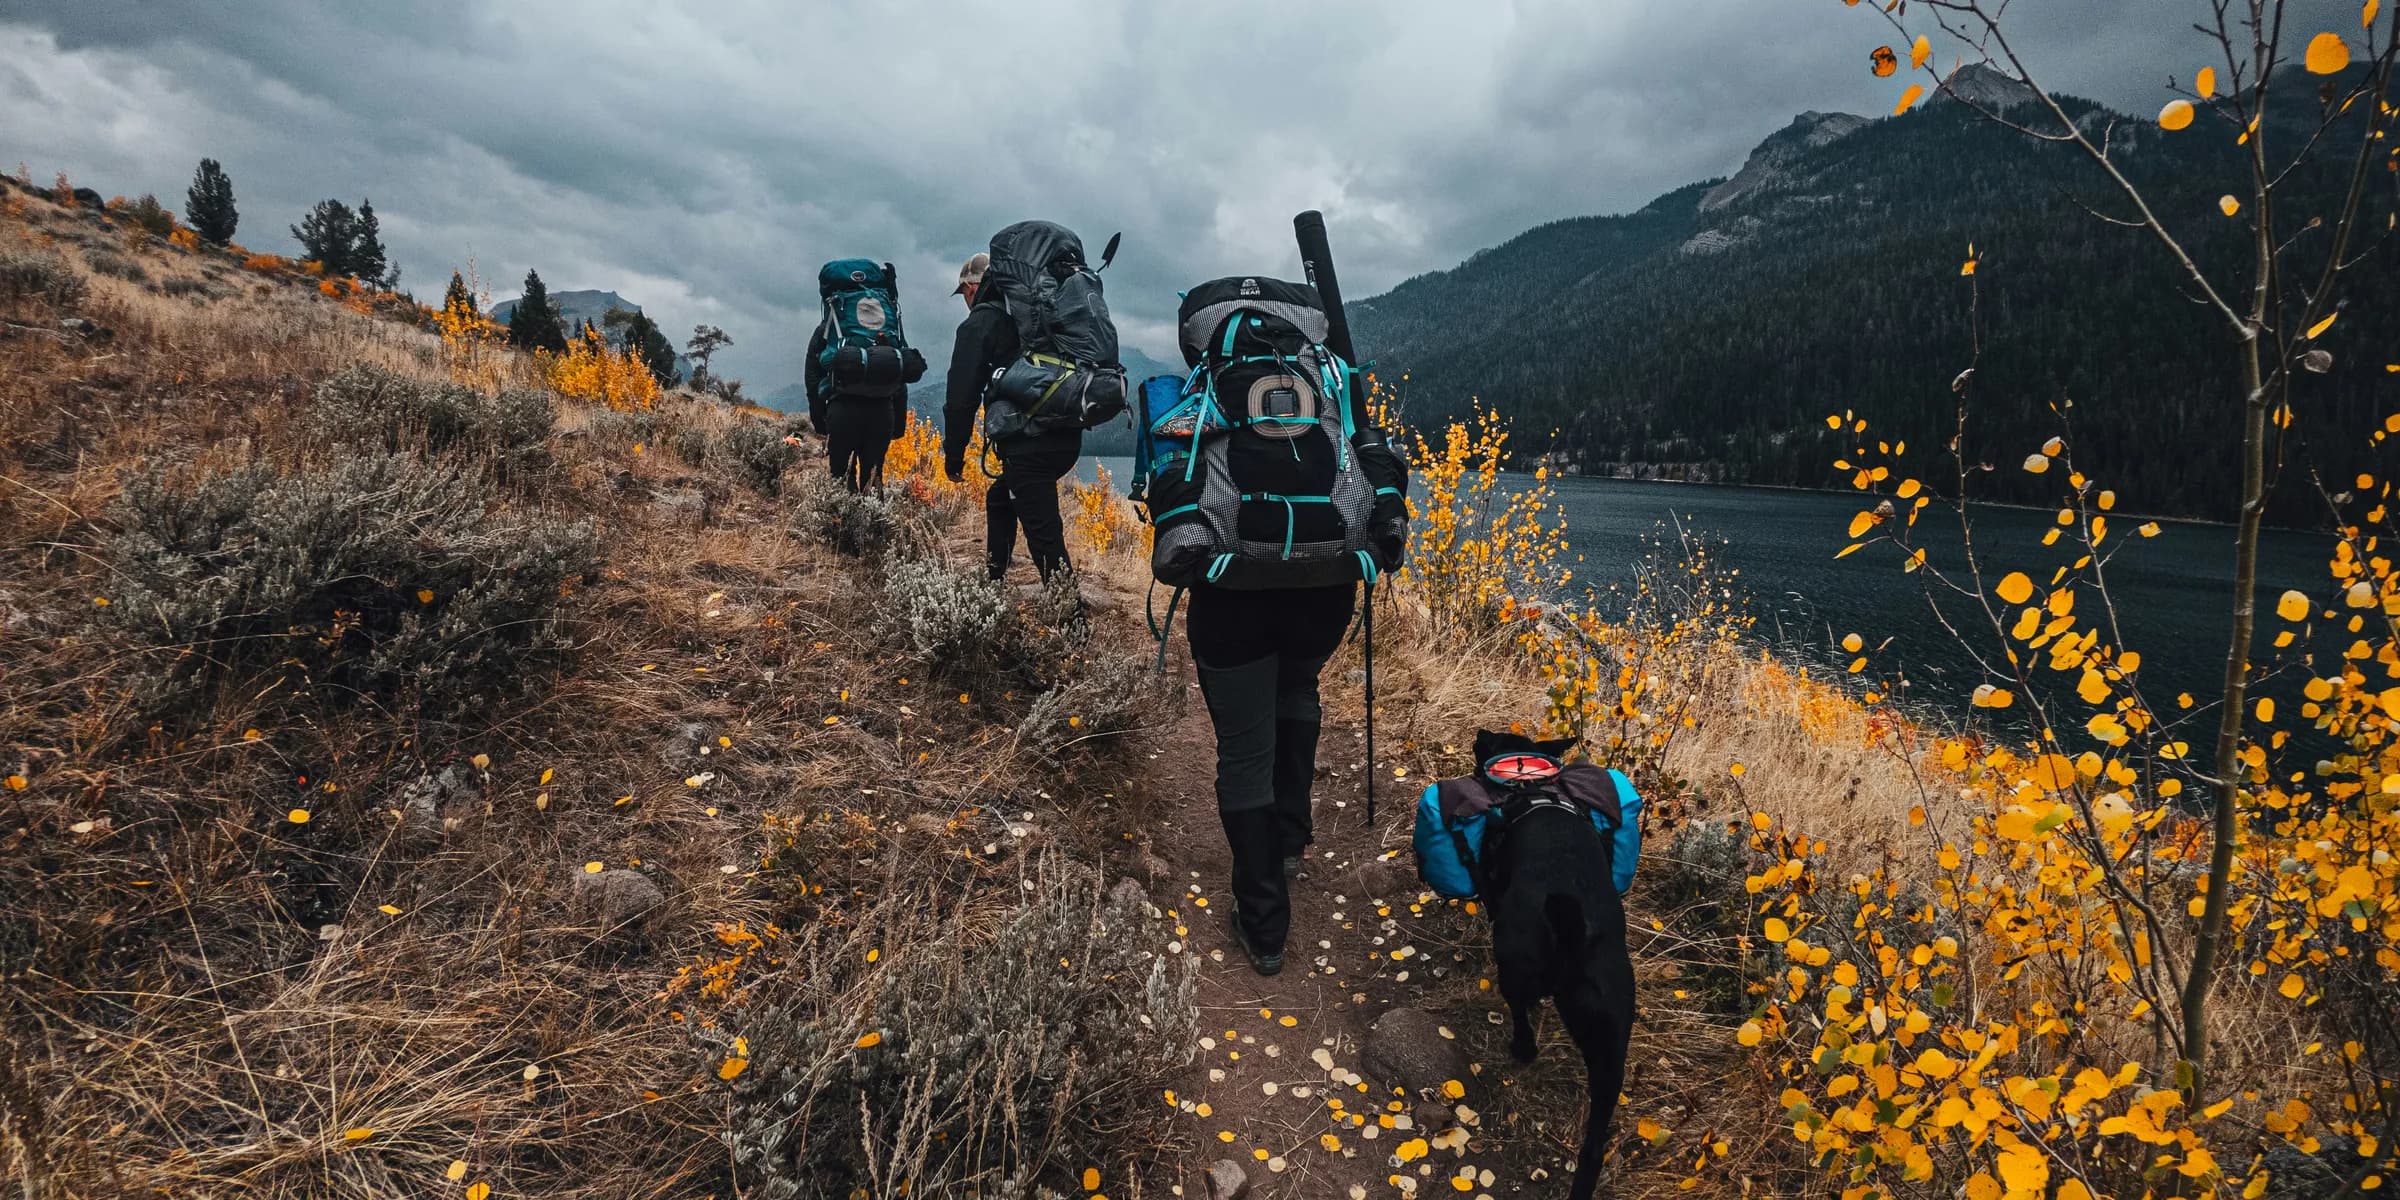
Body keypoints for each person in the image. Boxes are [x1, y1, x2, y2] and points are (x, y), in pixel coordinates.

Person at [1190, 580, 1359, 976]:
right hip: (1324, 594)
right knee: (1297, 686)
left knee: (1246, 755)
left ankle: (1262, 923)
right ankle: (1288, 840)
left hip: (1233, 599)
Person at [941, 250, 1080, 582]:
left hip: (1029, 443)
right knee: (1001, 498)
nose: (965, 300)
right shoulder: (1039, 314)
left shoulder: (980, 322)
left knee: (1045, 539)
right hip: (1066, 431)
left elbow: (960, 398)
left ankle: (1073, 623)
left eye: (964, 293)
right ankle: (993, 581)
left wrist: (954, 456)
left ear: (972, 287)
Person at [805, 310, 908, 491]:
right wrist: (899, 424)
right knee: (874, 479)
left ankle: (842, 517)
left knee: (840, 479)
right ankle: (873, 516)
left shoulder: (832, 326)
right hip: (882, 411)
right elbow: (900, 373)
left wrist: (819, 420)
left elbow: (813, 376)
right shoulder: (887, 327)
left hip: (842, 410)